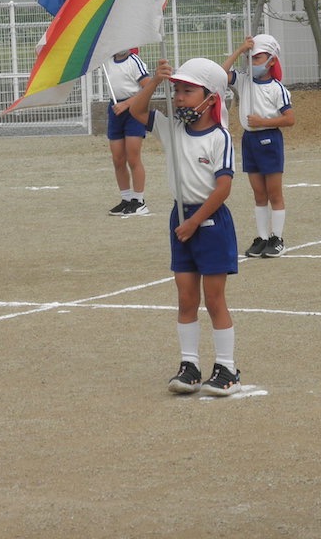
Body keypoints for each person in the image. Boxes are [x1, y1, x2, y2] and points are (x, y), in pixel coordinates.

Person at [127, 57, 241, 397]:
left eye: (187, 91)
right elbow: (135, 111)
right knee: (186, 298)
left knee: (214, 299)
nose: (178, 97)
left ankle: (227, 368)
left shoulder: (219, 137)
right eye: (175, 90)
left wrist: (194, 221)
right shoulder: (171, 129)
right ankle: (189, 365)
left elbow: (223, 187)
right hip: (181, 220)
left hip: (210, 223)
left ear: (210, 97)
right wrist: (153, 82)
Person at [223, 35, 295, 256]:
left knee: (274, 193)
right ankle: (262, 238)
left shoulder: (277, 88)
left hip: (269, 140)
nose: (252, 62)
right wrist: (240, 49)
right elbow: (221, 74)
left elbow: (289, 119)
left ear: (271, 60)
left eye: (258, 58)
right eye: (250, 58)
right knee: (258, 194)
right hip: (249, 140)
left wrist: (264, 122)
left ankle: (277, 238)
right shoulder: (244, 80)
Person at [103, 48, 150, 216]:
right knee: (118, 158)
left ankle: (139, 200)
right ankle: (126, 198)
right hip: (115, 109)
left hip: (133, 111)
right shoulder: (106, 60)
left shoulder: (134, 62)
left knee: (133, 157)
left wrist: (127, 104)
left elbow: (148, 87)